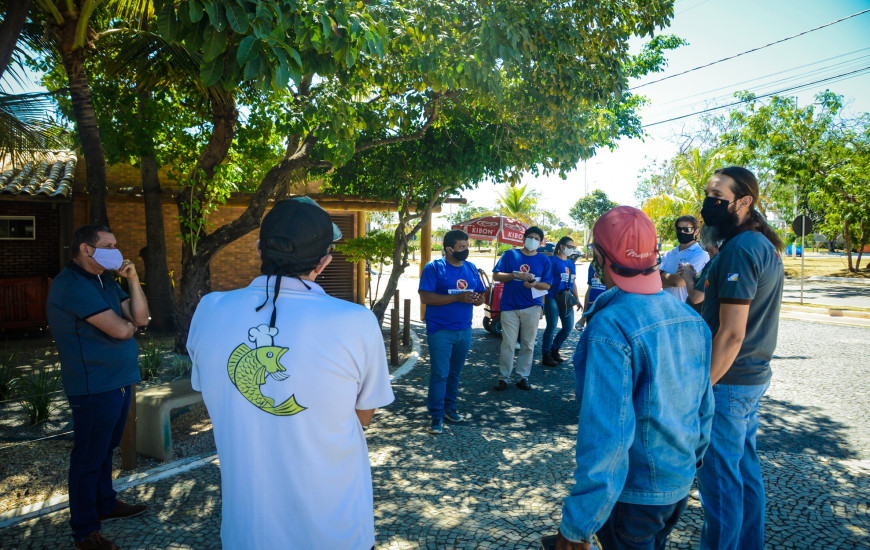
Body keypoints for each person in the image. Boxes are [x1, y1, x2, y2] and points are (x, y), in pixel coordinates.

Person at [186, 197, 395, 550]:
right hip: (336, 530)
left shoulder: (210, 310)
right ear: (324, 261)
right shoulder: (356, 321)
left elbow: (211, 393)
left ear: (257, 249)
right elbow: (364, 416)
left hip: (247, 532)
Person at [556, 206, 714, 550]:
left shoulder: (611, 326)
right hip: (675, 487)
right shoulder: (691, 319)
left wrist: (579, 523)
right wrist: (685, 470)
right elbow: (704, 412)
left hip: (634, 495)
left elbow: (608, 435)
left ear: (599, 256)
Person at [695, 166, 785, 550]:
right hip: (749, 380)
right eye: (708, 193)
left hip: (729, 384)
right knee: (745, 475)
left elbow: (731, 334)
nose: (708, 202)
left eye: (718, 195)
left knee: (720, 482)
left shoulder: (742, 249)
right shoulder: (757, 245)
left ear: (744, 202)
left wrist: (701, 389)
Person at [46, 225, 150, 550]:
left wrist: (132, 279)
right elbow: (121, 329)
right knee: (89, 456)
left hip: (118, 380)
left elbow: (141, 319)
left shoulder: (105, 280)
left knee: (106, 449)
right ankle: (84, 531)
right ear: (85, 249)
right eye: (108, 245)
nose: (116, 251)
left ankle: (105, 503)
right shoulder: (71, 286)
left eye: (116, 245)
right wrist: (130, 324)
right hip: (93, 385)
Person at [418, 229, 486, 434]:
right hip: (440, 330)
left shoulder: (471, 268)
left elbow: (480, 295)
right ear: (449, 249)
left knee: (455, 374)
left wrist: (477, 300)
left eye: (468, 246)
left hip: (464, 330)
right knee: (440, 373)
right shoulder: (434, 268)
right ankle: (436, 416)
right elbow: (426, 297)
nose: (467, 250)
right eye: (462, 247)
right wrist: (457, 298)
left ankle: (449, 408)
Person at [492, 226, 552, 391]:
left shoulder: (544, 260)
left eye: (536, 238)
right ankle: (503, 377)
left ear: (541, 243)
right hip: (509, 306)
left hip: (532, 307)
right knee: (508, 343)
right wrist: (515, 275)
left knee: (528, 344)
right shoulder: (510, 255)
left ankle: (522, 377)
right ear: (523, 238)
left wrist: (534, 284)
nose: (532, 240)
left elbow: (546, 285)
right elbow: (496, 275)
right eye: (530, 237)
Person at [542, 236, 581, 367]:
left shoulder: (570, 263)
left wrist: (577, 299)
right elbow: (544, 281)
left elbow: (573, 282)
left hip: (566, 298)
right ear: (561, 246)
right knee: (551, 326)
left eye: (573, 247)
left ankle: (555, 349)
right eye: (569, 246)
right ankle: (546, 354)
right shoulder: (551, 260)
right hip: (552, 296)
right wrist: (542, 302)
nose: (572, 249)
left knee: (568, 327)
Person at [659, 215, 709, 303]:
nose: (682, 232)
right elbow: (654, 279)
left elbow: (679, 281)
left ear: (696, 231)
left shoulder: (700, 255)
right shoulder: (669, 254)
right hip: (665, 307)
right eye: (679, 229)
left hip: (685, 310)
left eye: (687, 230)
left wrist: (662, 275)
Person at [678, 225, 721, 313]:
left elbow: (696, 297)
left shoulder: (715, 262)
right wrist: (693, 275)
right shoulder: (713, 261)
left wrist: (688, 277)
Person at [577, 259, 607, 330]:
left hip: (605, 311)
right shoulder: (592, 265)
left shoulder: (613, 265)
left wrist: (602, 300)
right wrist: (583, 316)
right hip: (591, 310)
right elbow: (589, 289)